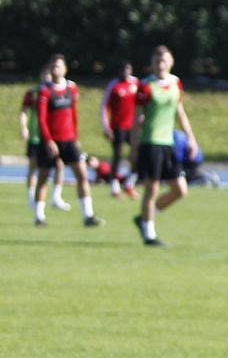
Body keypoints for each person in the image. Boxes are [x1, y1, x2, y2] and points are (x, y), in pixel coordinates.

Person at [133, 45, 200, 248]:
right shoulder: (145, 86)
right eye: (157, 60)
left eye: (164, 59)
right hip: (150, 143)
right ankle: (149, 235)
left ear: (171, 62)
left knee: (180, 189)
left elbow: (180, 112)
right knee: (151, 189)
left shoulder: (175, 83)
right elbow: (136, 120)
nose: (160, 63)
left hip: (168, 143)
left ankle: (145, 218)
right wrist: (134, 148)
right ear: (152, 63)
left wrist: (191, 138)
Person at [33, 54, 104, 229]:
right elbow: (41, 119)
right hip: (51, 142)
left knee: (82, 175)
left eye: (59, 66)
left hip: (69, 139)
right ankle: (39, 216)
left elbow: (73, 114)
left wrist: (76, 137)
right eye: (53, 66)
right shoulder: (44, 91)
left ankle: (88, 215)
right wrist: (48, 141)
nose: (55, 69)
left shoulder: (71, 88)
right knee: (43, 177)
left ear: (65, 69)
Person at [20, 71, 68, 214]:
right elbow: (24, 111)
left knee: (60, 165)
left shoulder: (56, 92)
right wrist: (23, 127)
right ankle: (31, 198)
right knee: (34, 167)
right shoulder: (34, 93)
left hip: (54, 138)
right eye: (45, 76)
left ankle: (56, 197)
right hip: (36, 137)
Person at [101, 62, 140, 196]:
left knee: (138, 154)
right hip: (118, 127)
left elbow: (142, 103)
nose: (125, 72)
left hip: (133, 127)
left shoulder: (136, 83)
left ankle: (130, 183)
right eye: (123, 70)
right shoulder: (114, 85)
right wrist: (106, 127)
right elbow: (104, 107)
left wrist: (142, 118)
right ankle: (114, 186)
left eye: (128, 70)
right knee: (118, 155)